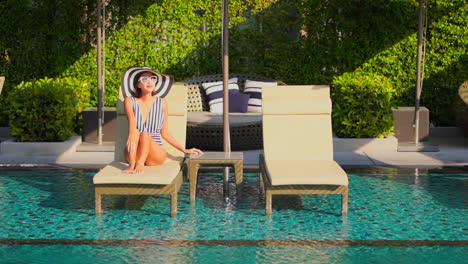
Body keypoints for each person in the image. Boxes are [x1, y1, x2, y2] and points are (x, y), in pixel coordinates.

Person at [121, 66, 202, 174]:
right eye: (145, 79)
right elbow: (132, 127)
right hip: (134, 150)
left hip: (155, 153)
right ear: (138, 84)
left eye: (153, 79)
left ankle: (140, 163)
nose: (149, 82)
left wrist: (184, 150)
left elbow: (165, 133)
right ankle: (132, 164)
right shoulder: (129, 101)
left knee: (145, 134)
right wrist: (132, 161)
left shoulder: (162, 103)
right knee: (135, 131)